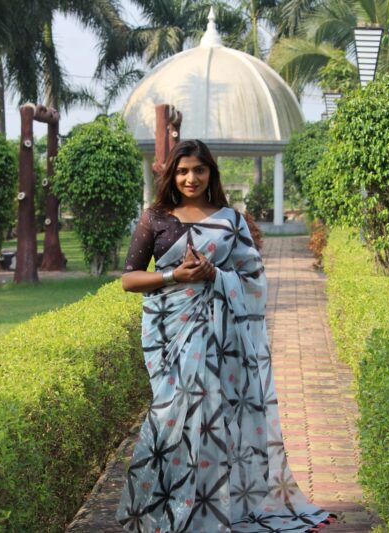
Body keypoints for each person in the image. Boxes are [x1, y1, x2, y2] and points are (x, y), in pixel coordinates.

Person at [115, 139, 337, 533]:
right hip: (168, 334)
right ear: (172, 174)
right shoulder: (155, 218)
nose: (190, 178)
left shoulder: (230, 221)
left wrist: (215, 275)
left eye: (199, 170)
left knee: (213, 419)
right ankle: (168, 508)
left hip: (222, 339)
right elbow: (130, 279)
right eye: (183, 170)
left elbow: (253, 279)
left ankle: (213, 509)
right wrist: (173, 276)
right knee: (171, 420)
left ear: (210, 174)